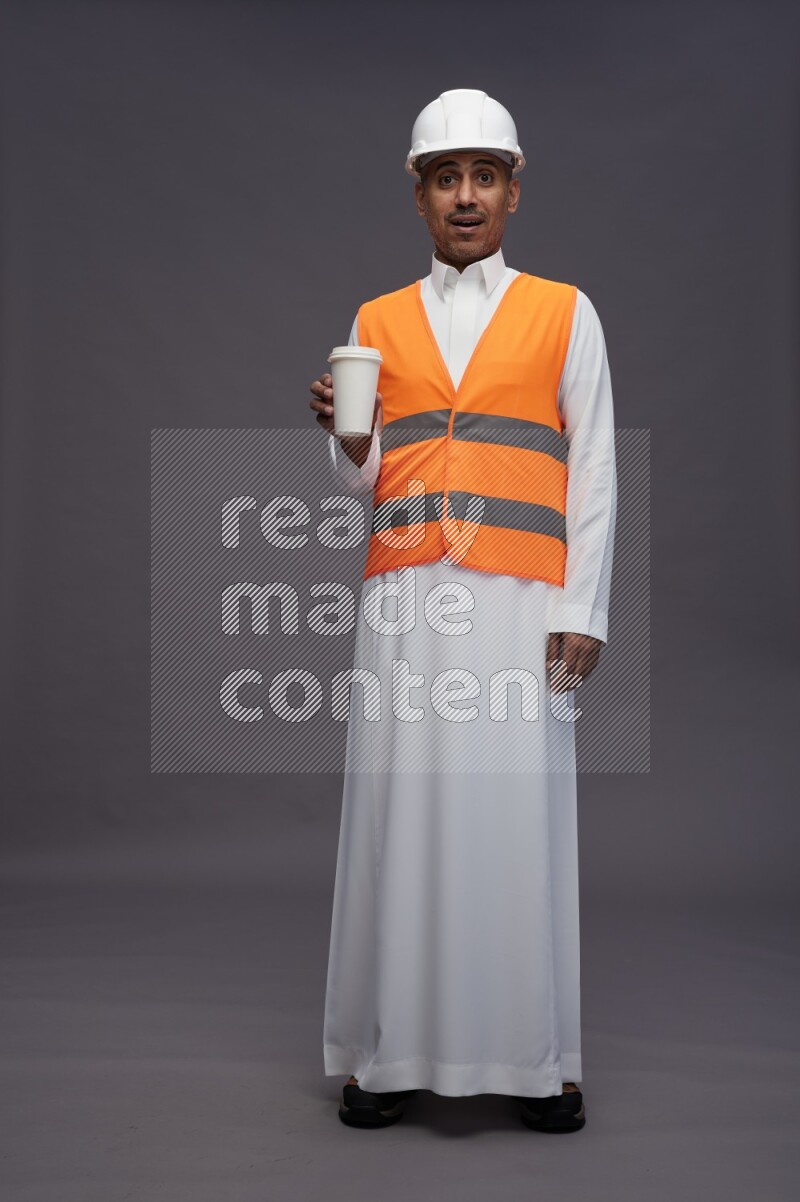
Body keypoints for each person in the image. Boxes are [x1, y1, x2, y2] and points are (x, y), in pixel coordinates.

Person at [309, 89, 617, 1133]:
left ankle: (538, 1059)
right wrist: (350, 443)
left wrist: (584, 607)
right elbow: (363, 481)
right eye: (446, 177)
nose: (466, 195)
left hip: (522, 597)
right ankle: (388, 1051)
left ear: (513, 191)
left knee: (516, 814)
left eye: (484, 175)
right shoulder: (374, 320)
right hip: (405, 595)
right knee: (405, 810)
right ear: (420, 196)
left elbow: (596, 466)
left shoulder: (565, 310)